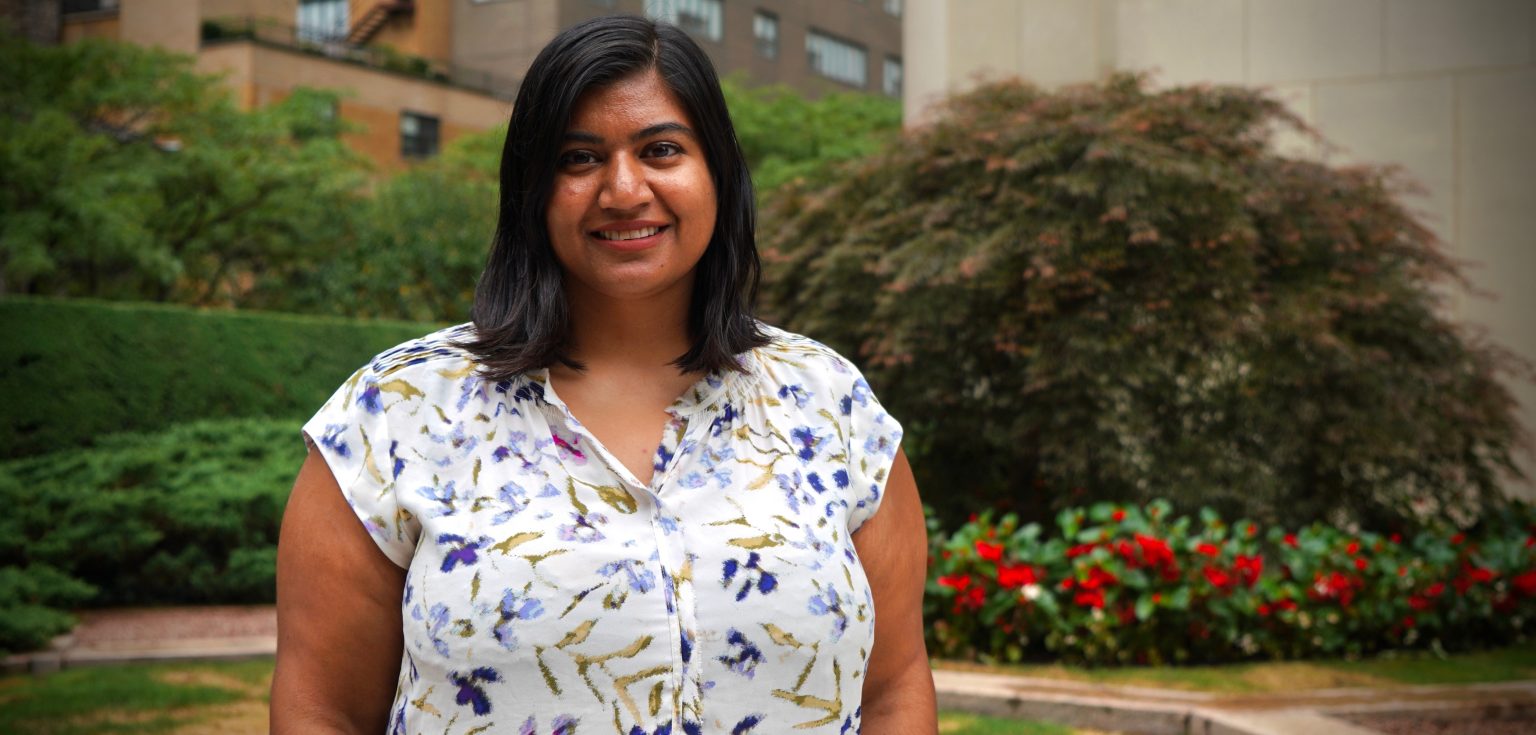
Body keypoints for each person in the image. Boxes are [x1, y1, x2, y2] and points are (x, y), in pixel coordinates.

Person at [271, 15, 935, 735]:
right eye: (579, 158)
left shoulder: (830, 403)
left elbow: (896, 687)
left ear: (717, 171)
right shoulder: (398, 410)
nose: (623, 189)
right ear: (532, 188)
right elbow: (321, 707)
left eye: (661, 149)